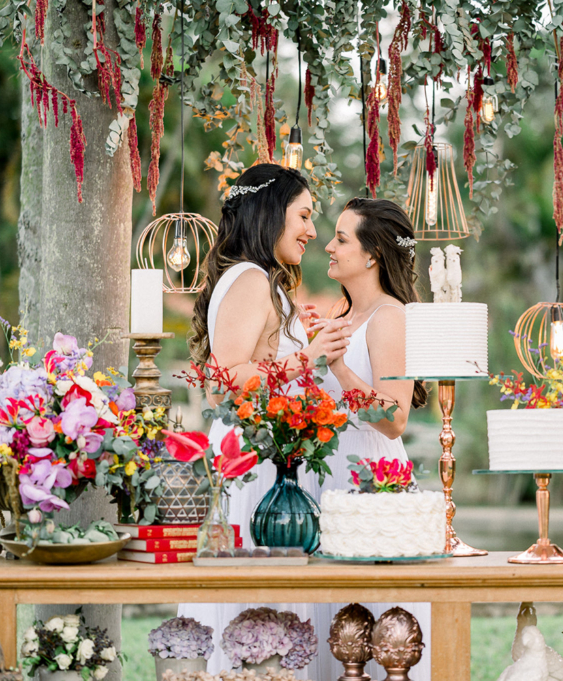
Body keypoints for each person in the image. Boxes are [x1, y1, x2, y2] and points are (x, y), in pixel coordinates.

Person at [179, 164, 351, 677]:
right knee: (263, 608)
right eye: (303, 215)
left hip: (265, 457)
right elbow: (226, 376)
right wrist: (309, 356)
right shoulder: (251, 278)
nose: (313, 231)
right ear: (271, 214)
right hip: (251, 463)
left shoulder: (259, 280)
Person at [309, 197, 431, 681]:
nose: (328, 246)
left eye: (341, 238)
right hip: (329, 470)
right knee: (334, 623)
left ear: (373, 254)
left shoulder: (389, 316)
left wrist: (337, 369)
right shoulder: (343, 314)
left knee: (376, 623)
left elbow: (395, 416)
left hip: (369, 471)